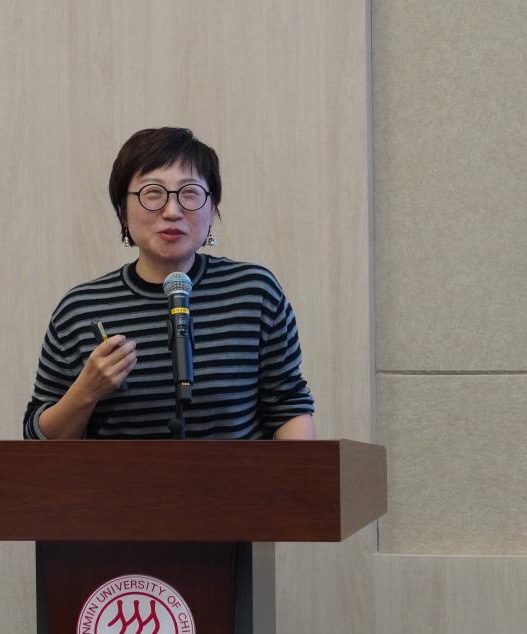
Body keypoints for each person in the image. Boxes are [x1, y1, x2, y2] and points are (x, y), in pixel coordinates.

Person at [23, 127, 316, 440]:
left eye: (190, 193)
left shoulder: (254, 292)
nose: (172, 211)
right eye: (153, 193)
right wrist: (86, 391)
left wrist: (299, 472)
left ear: (213, 209)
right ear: (122, 210)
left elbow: (288, 407)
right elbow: (37, 438)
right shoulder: (81, 309)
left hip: (238, 474)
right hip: (121, 475)